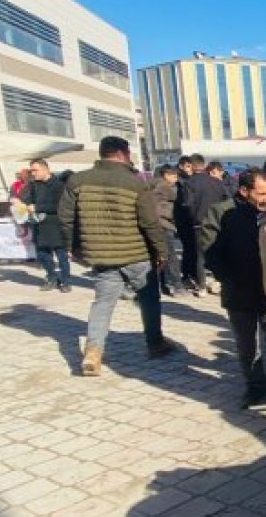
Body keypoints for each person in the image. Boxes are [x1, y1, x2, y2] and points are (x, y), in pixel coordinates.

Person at [58, 136, 179, 376]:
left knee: (102, 303)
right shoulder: (134, 183)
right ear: (123, 154)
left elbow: (65, 218)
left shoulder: (77, 180)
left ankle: (93, 351)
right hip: (137, 255)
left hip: (101, 256)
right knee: (149, 299)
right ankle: (155, 343)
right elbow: (149, 222)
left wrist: (74, 247)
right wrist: (161, 251)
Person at [206, 169, 266, 407]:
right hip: (240, 295)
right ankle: (255, 386)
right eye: (261, 193)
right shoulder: (225, 216)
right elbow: (211, 254)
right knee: (247, 345)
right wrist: (230, 279)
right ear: (244, 192)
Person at [180, 153, 228, 295]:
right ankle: (219, 282)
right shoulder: (216, 182)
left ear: (191, 165)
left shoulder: (190, 183)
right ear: (204, 164)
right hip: (218, 222)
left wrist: (193, 217)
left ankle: (202, 287)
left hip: (199, 224)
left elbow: (188, 205)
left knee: (200, 256)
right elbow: (225, 199)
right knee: (218, 252)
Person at [21, 158, 71, 292]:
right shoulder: (33, 185)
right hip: (39, 226)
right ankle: (52, 278)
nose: (33, 173)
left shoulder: (59, 185)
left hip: (56, 225)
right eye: (32, 171)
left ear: (46, 169)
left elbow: (60, 206)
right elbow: (26, 200)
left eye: (36, 170)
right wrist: (23, 202)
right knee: (43, 255)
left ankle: (65, 281)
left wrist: (37, 207)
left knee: (62, 256)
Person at [150, 165, 185, 296]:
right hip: (164, 224)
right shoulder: (165, 188)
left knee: (158, 256)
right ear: (166, 175)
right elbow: (167, 208)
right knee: (170, 256)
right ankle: (177, 286)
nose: (176, 179)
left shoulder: (151, 185)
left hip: (154, 224)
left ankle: (161, 285)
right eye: (174, 176)